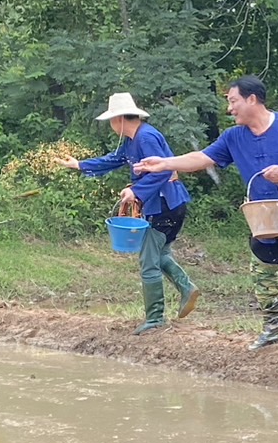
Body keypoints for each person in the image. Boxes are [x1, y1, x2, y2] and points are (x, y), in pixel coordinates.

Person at [135, 75, 278, 355]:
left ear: (252, 99)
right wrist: (164, 163)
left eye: (233, 101)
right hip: (262, 219)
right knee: (262, 275)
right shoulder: (234, 137)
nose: (230, 108)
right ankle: (272, 331)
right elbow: (201, 158)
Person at [57, 92, 199, 334]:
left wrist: (137, 192)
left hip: (164, 205)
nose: (111, 126)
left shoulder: (146, 137)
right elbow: (114, 160)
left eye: (112, 120)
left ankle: (155, 319)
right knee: (160, 253)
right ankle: (187, 288)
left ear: (119, 119)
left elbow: (164, 170)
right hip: (166, 203)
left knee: (148, 261)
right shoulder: (132, 141)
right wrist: (80, 165)